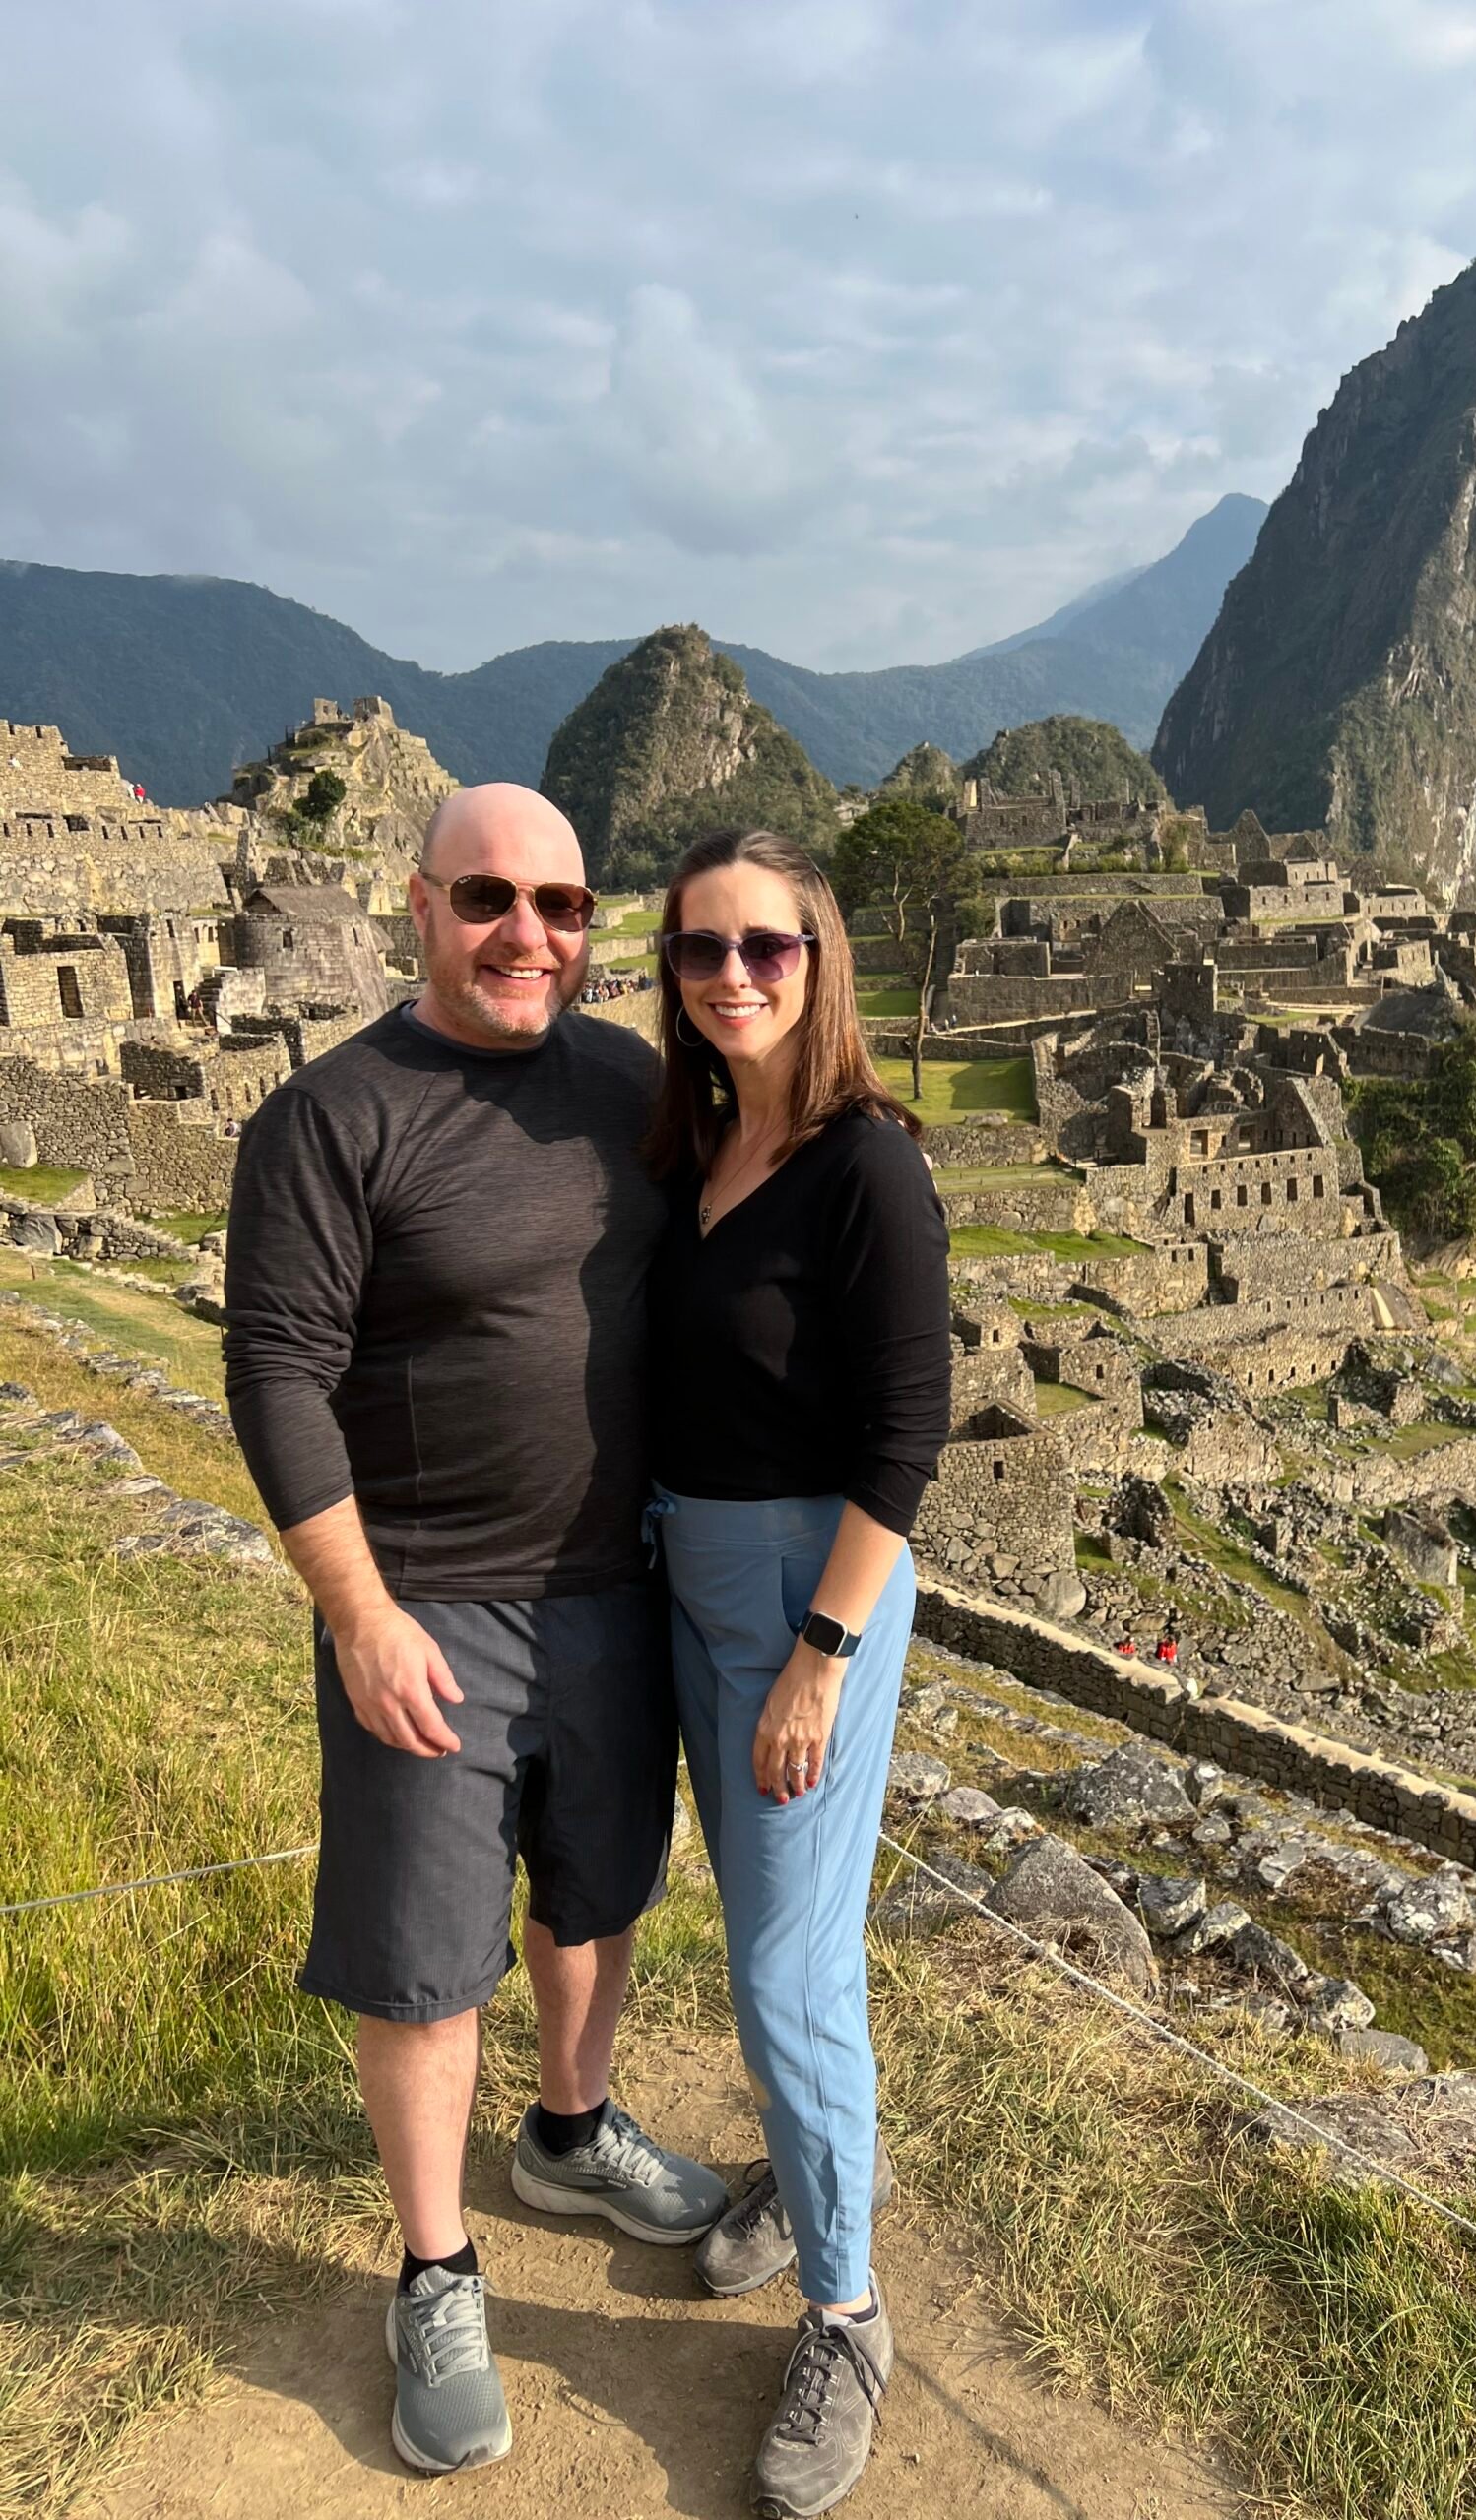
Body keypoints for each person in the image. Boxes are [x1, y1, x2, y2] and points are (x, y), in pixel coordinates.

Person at [224, 785, 726, 2478]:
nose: (531, 936)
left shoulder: (632, 1092)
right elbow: (278, 1369)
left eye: (567, 907)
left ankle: (571, 2133)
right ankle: (438, 2266)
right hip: (427, 1599)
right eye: (492, 899)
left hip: (612, 1585)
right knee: (430, 1956)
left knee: (597, 1890)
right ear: (418, 906)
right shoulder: (331, 1117)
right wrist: (356, 1613)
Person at [643, 827, 950, 2519]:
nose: (735, 976)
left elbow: (906, 1439)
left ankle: (847, 2313)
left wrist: (821, 1657)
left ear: (820, 962)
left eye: (768, 947)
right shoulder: (693, 1150)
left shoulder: (863, 1168)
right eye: (701, 952)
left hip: (803, 1596)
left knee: (786, 1960)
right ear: (672, 976)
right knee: (769, 1941)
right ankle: (808, 2172)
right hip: (686, 1576)